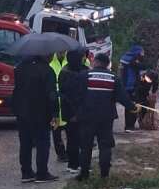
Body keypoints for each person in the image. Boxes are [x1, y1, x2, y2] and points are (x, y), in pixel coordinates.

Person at [77, 53, 135, 181]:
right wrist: (132, 107)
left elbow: (78, 96)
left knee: (86, 146)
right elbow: (122, 97)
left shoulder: (85, 75)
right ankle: (104, 174)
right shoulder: (113, 78)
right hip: (106, 118)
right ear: (107, 64)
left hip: (87, 117)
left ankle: (84, 173)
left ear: (96, 62)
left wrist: (77, 113)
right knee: (105, 146)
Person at [13, 55, 58, 183]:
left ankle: (26, 173)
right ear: (44, 54)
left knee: (25, 143)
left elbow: (17, 90)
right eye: (50, 54)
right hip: (40, 113)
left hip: (22, 112)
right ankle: (42, 173)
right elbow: (52, 94)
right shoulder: (47, 71)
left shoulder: (20, 68)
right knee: (42, 142)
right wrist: (55, 113)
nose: (51, 56)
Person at [59, 49, 90, 175]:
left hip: (78, 111)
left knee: (81, 139)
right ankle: (74, 164)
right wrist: (75, 113)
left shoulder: (81, 70)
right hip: (74, 112)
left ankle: (79, 164)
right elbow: (68, 96)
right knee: (74, 139)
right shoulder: (68, 73)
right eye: (82, 57)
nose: (84, 58)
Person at [119, 45, 145, 131]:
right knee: (133, 107)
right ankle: (129, 126)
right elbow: (141, 66)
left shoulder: (126, 59)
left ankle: (129, 125)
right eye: (141, 53)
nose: (142, 55)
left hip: (127, 86)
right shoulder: (131, 61)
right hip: (131, 86)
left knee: (130, 106)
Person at [49, 51, 68, 162]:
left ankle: (71, 152)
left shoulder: (69, 60)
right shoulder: (50, 61)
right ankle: (61, 154)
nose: (61, 52)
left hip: (66, 100)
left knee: (70, 130)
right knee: (56, 131)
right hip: (54, 100)